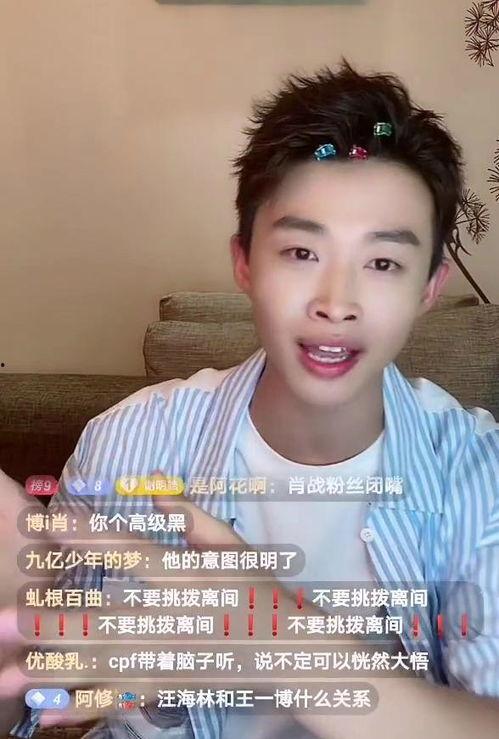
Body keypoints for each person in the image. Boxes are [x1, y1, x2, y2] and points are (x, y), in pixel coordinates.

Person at [9, 59, 499, 738]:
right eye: (301, 253)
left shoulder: (476, 472)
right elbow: (42, 696)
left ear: (429, 287)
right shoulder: (125, 444)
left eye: (383, 262)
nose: (336, 303)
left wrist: (278, 638)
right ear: (244, 261)